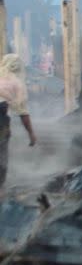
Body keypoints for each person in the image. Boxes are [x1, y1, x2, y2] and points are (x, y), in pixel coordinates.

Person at [0, 54, 36, 187]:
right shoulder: (16, 83)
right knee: (1, 155)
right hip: (1, 121)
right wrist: (31, 134)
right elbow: (23, 112)